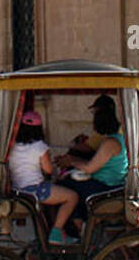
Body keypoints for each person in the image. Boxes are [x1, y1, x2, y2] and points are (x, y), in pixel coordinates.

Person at [7, 111, 78, 245]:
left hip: (19, 190)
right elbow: (48, 170)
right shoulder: (40, 146)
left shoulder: (13, 146)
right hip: (35, 191)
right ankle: (56, 232)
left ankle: (51, 232)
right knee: (72, 196)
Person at [56, 102, 129, 224]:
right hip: (106, 183)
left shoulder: (110, 143)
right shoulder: (115, 139)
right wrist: (72, 161)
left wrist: (71, 161)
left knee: (65, 188)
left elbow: (89, 168)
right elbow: (95, 162)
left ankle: (77, 228)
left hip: (106, 187)